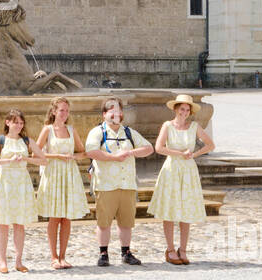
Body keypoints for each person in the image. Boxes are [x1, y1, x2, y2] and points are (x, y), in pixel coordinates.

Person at [84, 97, 153, 267]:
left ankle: (126, 252)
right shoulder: (98, 132)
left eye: (118, 110)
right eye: (111, 110)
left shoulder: (129, 132)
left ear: (122, 113)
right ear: (104, 114)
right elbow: (91, 151)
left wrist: (130, 153)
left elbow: (149, 148)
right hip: (105, 183)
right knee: (104, 222)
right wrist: (113, 157)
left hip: (127, 183)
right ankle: (103, 253)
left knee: (126, 222)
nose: (115, 114)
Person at [147, 94, 212, 265]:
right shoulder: (168, 126)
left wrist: (194, 154)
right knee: (169, 209)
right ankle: (169, 249)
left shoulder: (194, 126)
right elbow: (158, 148)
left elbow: (210, 145)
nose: (184, 112)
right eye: (182, 109)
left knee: (186, 210)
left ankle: (183, 249)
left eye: (187, 109)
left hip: (188, 169)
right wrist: (179, 154)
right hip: (171, 169)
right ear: (176, 109)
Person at [0, 109, 44, 273]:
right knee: (3, 224)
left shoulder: (27, 141)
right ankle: (2, 262)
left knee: (19, 224)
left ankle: (18, 260)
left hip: (21, 182)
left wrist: (26, 159)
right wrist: (7, 161)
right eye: (16, 122)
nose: (19, 125)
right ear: (7, 122)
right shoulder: (0, 140)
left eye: (21, 123)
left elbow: (43, 160)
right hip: (5, 182)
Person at [35, 97, 88, 270]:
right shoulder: (47, 130)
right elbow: (36, 154)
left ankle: (63, 256)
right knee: (54, 217)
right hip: (53, 174)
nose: (64, 113)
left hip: (69, 174)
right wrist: (57, 156)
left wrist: (74, 157)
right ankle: (53, 257)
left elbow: (83, 152)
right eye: (61, 110)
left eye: (67, 110)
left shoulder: (71, 130)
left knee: (66, 217)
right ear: (53, 111)